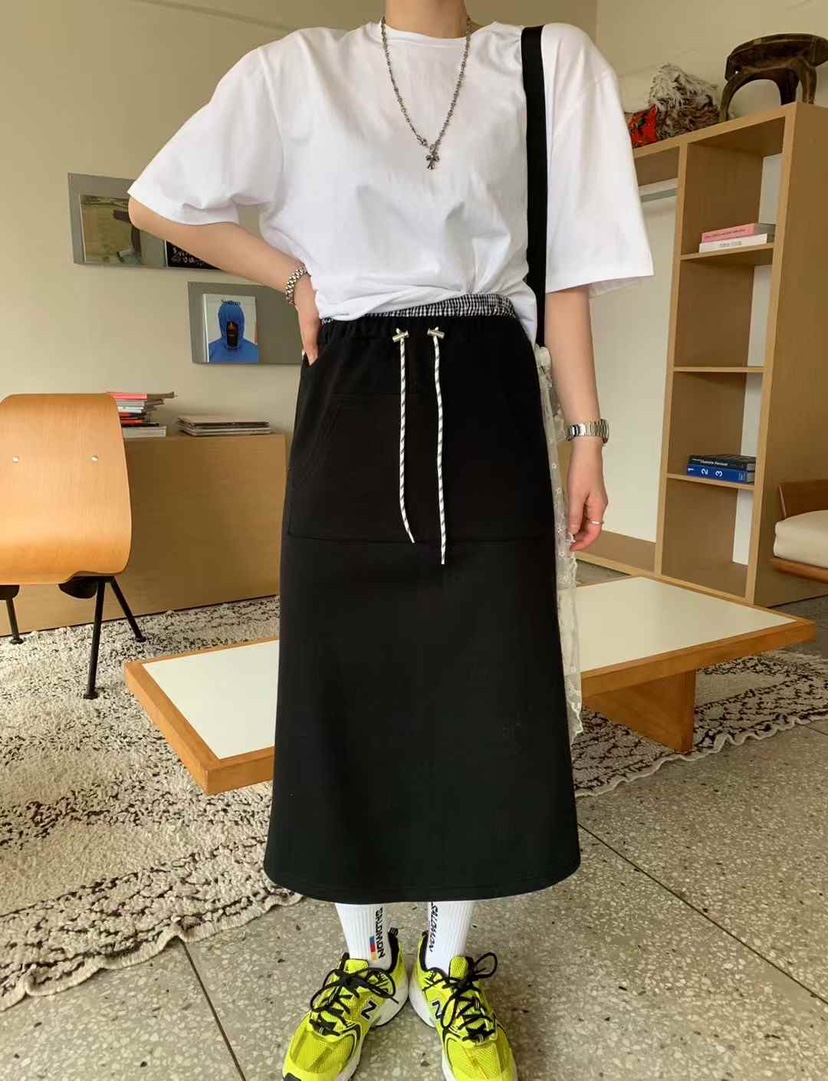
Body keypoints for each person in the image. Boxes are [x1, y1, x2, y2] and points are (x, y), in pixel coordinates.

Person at [128, 3, 653, 1079]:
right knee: (344, 687)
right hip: (354, 394)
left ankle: (445, 966)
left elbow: (567, 276)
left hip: (493, 397)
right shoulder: (294, 71)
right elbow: (158, 199)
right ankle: (365, 957)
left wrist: (589, 434)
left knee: (484, 690)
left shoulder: (548, 63)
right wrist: (293, 277)